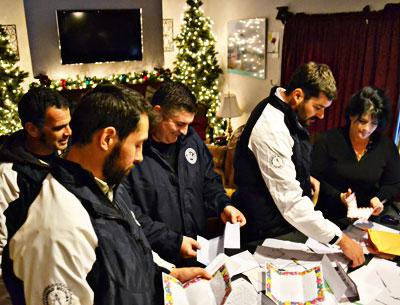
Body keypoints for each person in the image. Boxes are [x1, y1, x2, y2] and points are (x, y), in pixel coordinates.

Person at [2, 85, 210, 305]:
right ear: (107, 139)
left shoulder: (106, 186)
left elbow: (131, 252)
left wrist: (168, 275)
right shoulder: (57, 229)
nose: (140, 157)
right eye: (137, 145)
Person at [232, 62, 365, 267]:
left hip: (285, 222)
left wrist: (304, 177)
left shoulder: (289, 112)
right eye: (318, 107)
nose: (321, 116)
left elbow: (286, 159)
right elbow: (291, 203)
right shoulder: (272, 128)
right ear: (297, 95)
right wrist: (342, 240)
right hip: (264, 231)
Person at [119, 81, 246, 265]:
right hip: (157, 260)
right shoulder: (133, 152)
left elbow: (209, 181)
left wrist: (223, 206)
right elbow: (131, 215)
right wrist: (174, 242)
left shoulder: (191, 139)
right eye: (179, 124)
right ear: (157, 112)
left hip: (198, 252)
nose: (185, 131)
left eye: (189, 124)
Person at [0, 86, 72, 260]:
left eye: (69, 124)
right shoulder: (7, 174)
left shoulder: (69, 156)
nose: (69, 132)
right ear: (32, 129)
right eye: (58, 128)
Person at [311, 86, 400, 221]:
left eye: (374, 123)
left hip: (367, 219)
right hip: (328, 215)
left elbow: (393, 183)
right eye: (363, 121)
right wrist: (339, 196)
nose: (367, 129)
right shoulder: (328, 140)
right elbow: (314, 177)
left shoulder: (386, 146)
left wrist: (379, 198)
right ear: (352, 115)